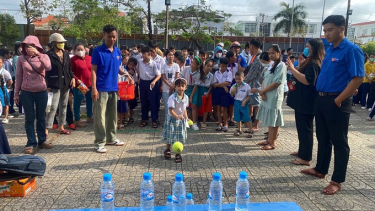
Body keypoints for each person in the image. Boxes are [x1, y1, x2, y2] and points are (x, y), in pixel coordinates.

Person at [301, 15, 365, 195]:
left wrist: (339, 99)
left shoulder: (351, 50)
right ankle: (320, 169)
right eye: (325, 30)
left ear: (342, 29)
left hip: (337, 101)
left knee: (339, 141)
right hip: (321, 99)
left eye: (330, 30)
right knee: (322, 137)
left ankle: (337, 180)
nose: (326, 34)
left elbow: (358, 77)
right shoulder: (329, 49)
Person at [285, 38, 325, 166]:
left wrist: (292, 68)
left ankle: (305, 157)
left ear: (314, 48)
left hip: (306, 102)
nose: (306, 49)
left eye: (308, 46)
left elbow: (308, 80)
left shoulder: (313, 63)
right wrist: (300, 64)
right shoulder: (309, 61)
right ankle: (302, 151)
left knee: (305, 129)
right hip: (302, 101)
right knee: (302, 128)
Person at [91, 25, 127, 153]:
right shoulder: (98, 51)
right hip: (101, 89)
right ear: (104, 35)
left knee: (112, 116)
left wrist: (127, 75)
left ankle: (111, 138)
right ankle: (99, 142)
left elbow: (118, 68)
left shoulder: (117, 51)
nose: (112, 39)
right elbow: (93, 71)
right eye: (109, 36)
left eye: (114, 36)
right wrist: (94, 88)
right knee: (100, 117)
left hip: (114, 88)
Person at [15, 35, 53, 154]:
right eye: (26, 46)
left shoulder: (44, 56)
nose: (28, 49)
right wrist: (16, 93)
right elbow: (19, 76)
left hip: (41, 91)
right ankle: (31, 142)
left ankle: (42, 140)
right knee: (29, 118)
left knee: (41, 117)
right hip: (26, 92)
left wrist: (38, 54)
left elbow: (48, 67)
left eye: (30, 46)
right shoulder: (21, 59)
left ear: (36, 46)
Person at [256, 44, 287, 150]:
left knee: (274, 119)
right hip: (267, 95)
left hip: (274, 96)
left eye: (273, 53)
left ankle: (273, 142)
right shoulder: (271, 64)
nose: (271, 55)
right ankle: (269, 139)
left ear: (279, 53)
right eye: (269, 53)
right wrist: (262, 91)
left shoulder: (281, 65)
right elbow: (265, 78)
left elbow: (277, 82)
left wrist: (263, 90)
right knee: (270, 119)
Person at [45, 33, 75, 136]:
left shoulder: (65, 54)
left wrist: (73, 78)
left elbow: (69, 69)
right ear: (54, 43)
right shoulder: (48, 55)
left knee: (64, 106)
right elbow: (46, 72)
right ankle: (47, 128)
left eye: (63, 43)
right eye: (60, 42)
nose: (62, 44)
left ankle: (61, 126)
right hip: (54, 84)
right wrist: (47, 85)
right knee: (52, 107)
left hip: (66, 84)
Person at [162, 78, 188, 163]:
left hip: (181, 120)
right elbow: (171, 110)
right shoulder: (172, 97)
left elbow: (184, 109)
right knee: (170, 135)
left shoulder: (186, 97)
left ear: (185, 87)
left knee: (179, 136)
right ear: (175, 87)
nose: (180, 88)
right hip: (172, 119)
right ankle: (167, 149)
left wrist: (186, 117)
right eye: (178, 86)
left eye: (182, 86)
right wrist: (177, 116)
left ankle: (178, 152)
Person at [137, 46, 161, 128]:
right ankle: (144, 119)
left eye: (144, 54)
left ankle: (154, 120)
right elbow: (138, 69)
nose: (142, 56)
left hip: (151, 84)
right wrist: (139, 77)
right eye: (142, 54)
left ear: (149, 54)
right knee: (143, 102)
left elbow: (159, 75)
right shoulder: (139, 62)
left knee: (152, 102)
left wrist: (154, 81)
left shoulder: (154, 63)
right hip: (143, 83)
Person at [71, 43, 93, 127]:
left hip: (90, 83)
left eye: (81, 49)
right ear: (75, 51)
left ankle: (89, 116)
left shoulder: (89, 58)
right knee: (77, 101)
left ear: (85, 50)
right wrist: (77, 80)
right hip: (80, 84)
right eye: (78, 50)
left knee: (89, 100)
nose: (80, 51)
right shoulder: (73, 60)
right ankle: (77, 119)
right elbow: (71, 72)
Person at [244, 39, 264, 131]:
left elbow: (251, 74)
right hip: (254, 85)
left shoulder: (258, 58)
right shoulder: (257, 56)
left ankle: (255, 125)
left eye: (249, 48)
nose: (249, 50)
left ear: (252, 46)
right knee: (252, 104)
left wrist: (242, 82)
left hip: (256, 85)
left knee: (256, 105)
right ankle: (250, 123)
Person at [190, 59, 213, 131]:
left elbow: (211, 86)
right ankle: (195, 121)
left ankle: (204, 122)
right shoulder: (199, 73)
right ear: (204, 66)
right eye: (207, 66)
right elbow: (195, 84)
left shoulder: (211, 75)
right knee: (196, 106)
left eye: (210, 66)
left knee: (205, 107)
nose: (209, 68)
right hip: (198, 90)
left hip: (206, 91)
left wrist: (208, 92)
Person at [230, 71, 253, 138]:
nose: (238, 81)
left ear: (243, 78)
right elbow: (231, 95)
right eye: (236, 79)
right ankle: (239, 130)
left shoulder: (246, 86)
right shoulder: (234, 86)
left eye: (239, 79)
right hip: (236, 102)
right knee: (237, 117)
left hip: (244, 103)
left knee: (247, 117)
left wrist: (245, 101)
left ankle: (251, 130)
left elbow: (249, 96)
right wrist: (232, 91)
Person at [213, 57, 232, 132]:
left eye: (225, 66)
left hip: (225, 92)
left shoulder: (229, 72)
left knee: (224, 108)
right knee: (218, 108)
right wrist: (223, 86)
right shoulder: (216, 73)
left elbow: (228, 82)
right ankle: (220, 123)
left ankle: (226, 123)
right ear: (220, 64)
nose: (224, 68)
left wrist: (220, 85)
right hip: (218, 91)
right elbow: (214, 84)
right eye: (222, 66)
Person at [161, 50, 180, 118]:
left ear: (174, 57)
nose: (170, 56)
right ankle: (167, 120)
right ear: (166, 56)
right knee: (167, 105)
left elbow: (177, 77)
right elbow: (163, 77)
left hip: (174, 88)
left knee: (174, 105)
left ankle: (174, 119)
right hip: (166, 88)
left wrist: (173, 86)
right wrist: (169, 85)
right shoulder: (163, 66)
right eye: (169, 55)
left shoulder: (176, 66)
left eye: (172, 55)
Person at [226, 51, 239, 127]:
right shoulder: (225, 65)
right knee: (226, 103)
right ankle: (226, 118)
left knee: (232, 103)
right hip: (227, 84)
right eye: (234, 56)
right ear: (230, 58)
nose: (236, 57)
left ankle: (231, 118)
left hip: (234, 84)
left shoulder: (236, 65)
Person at [126, 57, 138, 124]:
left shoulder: (136, 71)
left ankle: (131, 116)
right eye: (129, 64)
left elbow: (136, 80)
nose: (131, 66)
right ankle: (126, 116)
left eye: (133, 65)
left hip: (133, 88)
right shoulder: (124, 69)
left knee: (132, 103)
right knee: (126, 103)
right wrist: (128, 73)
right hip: (126, 87)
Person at [11, 41, 22, 116]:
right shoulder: (17, 58)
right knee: (20, 94)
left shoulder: (16, 57)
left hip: (17, 77)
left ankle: (21, 108)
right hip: (18, 77)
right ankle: (21, 109)